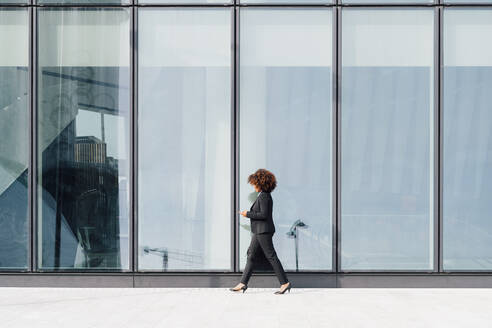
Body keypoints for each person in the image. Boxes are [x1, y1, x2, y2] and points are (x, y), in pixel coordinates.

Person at [229, 168, 291, 295]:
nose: (253, 186)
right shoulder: (264, 196)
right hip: (259, 231)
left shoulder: (264, 196)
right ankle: (243, 283)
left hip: (263, 231)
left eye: (254, 184)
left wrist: (247, 214)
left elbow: (263, 214)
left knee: (271, 256)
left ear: (261, 183)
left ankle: (284, 283)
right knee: (251, 255)